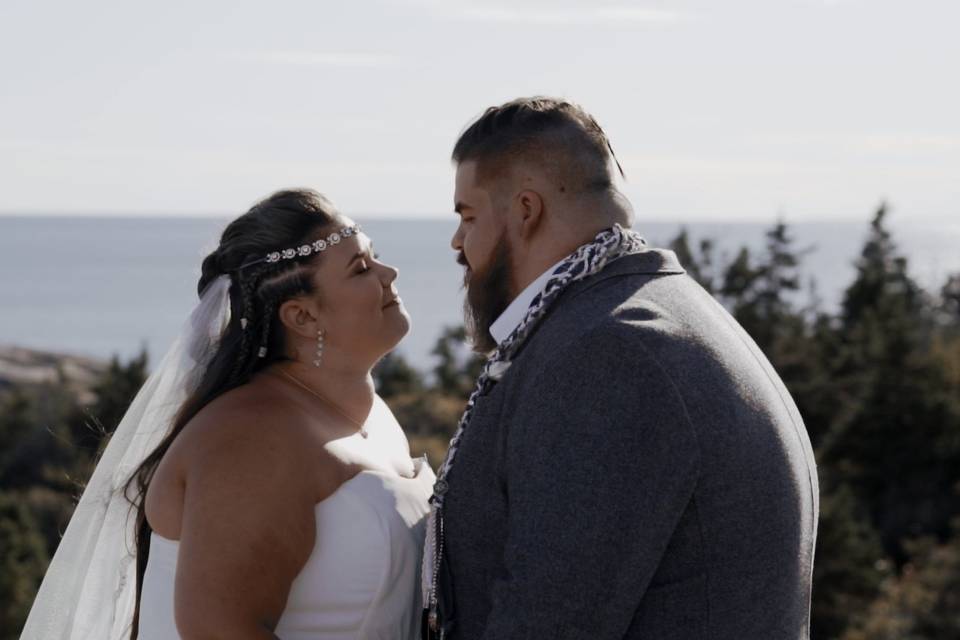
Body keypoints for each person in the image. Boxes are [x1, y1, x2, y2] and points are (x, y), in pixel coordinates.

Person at [422, 97, 820, 639]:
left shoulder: (609, 353)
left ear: (525, 210)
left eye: (468, 216)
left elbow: (549, 622)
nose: (458, 242)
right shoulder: (653, 310)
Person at [22, 189, 434, 640]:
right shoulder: (251, 439)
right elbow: (219, 631)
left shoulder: (370, 414)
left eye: (376, 257)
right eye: (361, 268)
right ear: (302, 315)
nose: (389, 273)